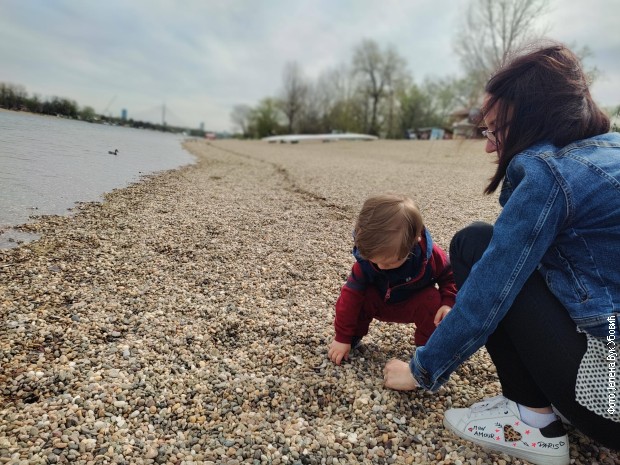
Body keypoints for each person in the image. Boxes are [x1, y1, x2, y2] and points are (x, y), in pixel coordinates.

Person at [383, 42, 620, 464]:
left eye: (495, 130)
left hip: (611, 400)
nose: (490, 147)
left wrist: (421, 370)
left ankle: (533, 423)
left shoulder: (552, 174)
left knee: (474, 245)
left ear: (533, 121)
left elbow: (492, 287)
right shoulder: (611, 150)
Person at [328, 193, 456, 365]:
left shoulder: (431, 257)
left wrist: (448, 302)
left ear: (414, 241)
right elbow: (348, 298)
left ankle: (427, 351)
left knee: (433, 299)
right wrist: (342, 337)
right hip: (380, 302)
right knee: (358, 295)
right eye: (375, 260)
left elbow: (450, 276)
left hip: (413, 303)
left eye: (388, 262)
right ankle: (352, 338)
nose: (380, 267)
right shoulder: (366, 262)